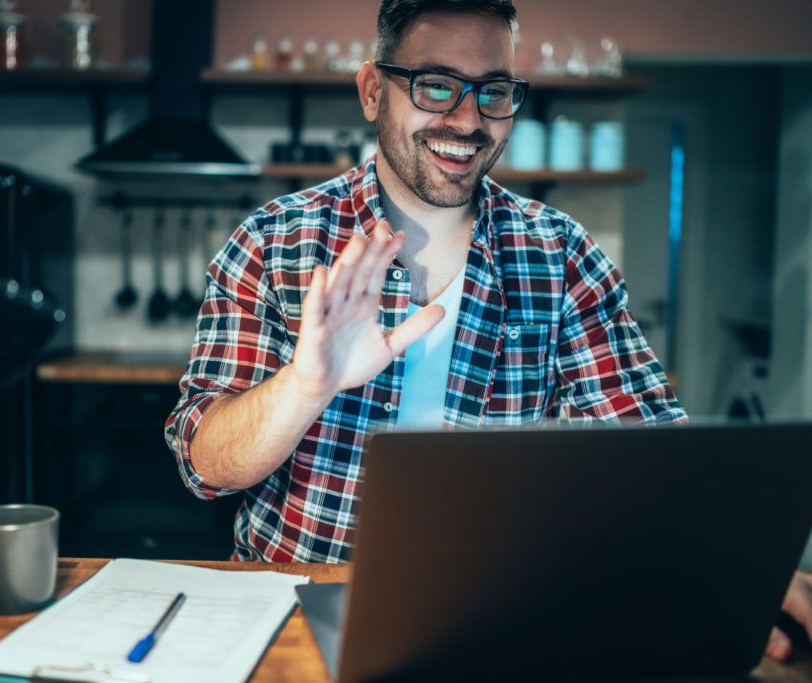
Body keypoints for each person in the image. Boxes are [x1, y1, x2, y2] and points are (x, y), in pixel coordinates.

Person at [164, 0, 807, 661]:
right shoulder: (273, 242)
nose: (468, 119)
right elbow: (204, 466)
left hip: (498, 620)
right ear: (371, 91)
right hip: (293, 609)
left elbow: (648, 451)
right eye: (435, 84)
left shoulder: (561, 255)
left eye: (493, 92)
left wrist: (738, 557)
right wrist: (306, 384)